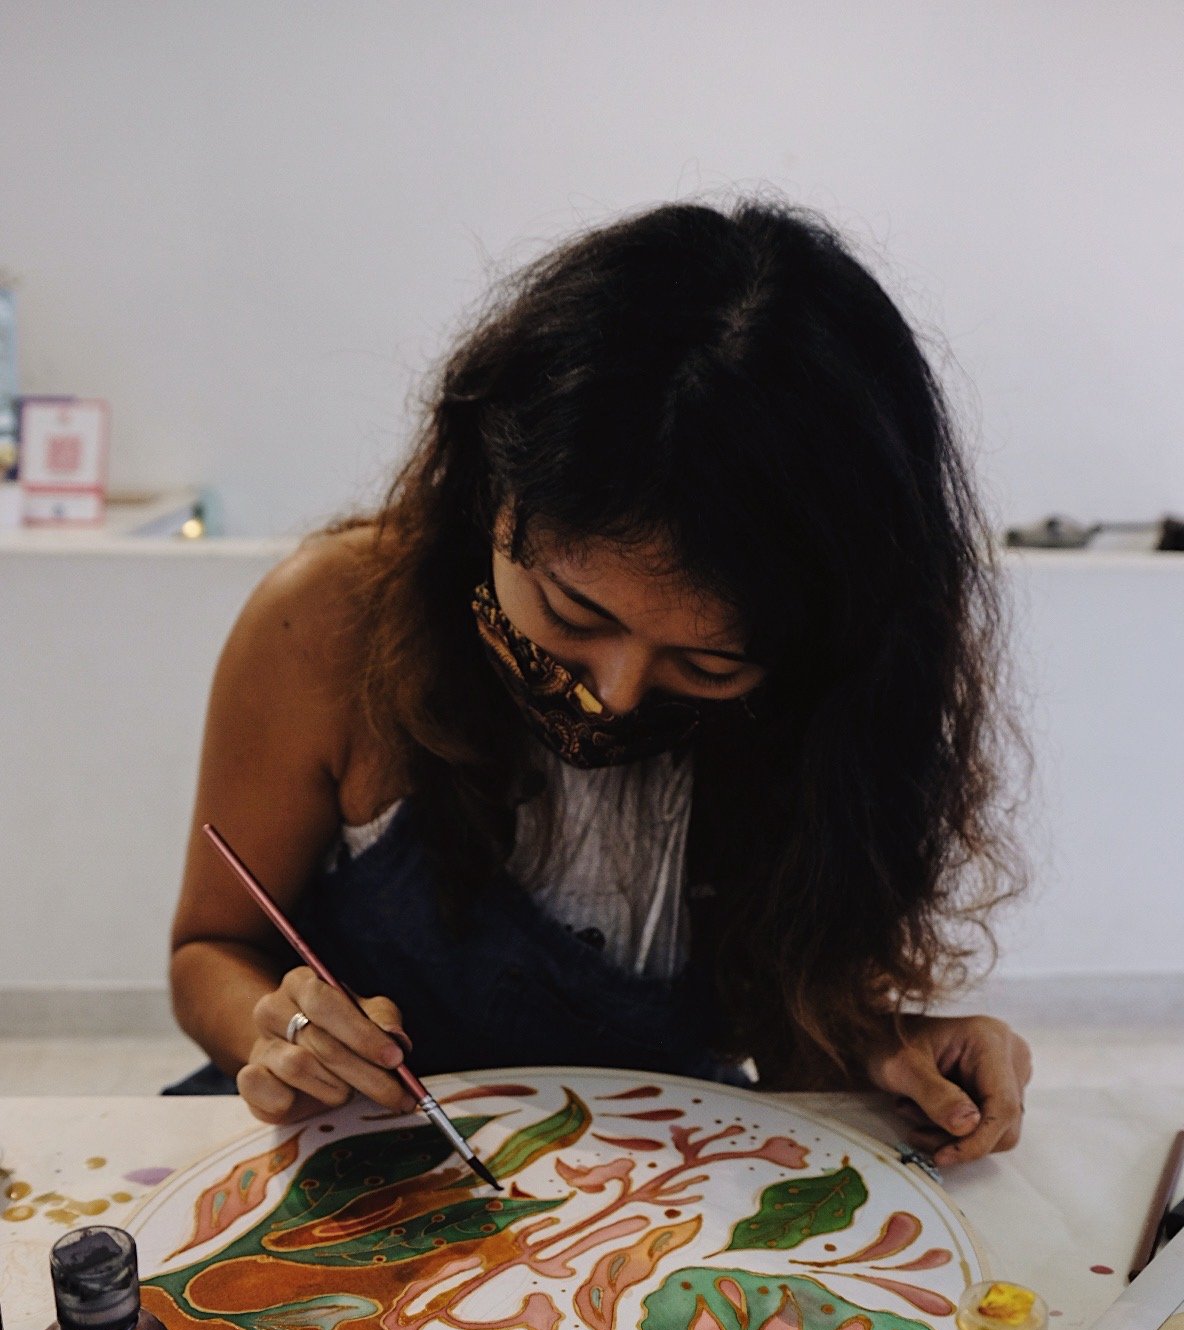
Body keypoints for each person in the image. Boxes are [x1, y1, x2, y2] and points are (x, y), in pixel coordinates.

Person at [168, 198, 1032, 1167]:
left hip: (645, 1213)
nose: (617, 694)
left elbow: (781, 1022)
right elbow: (207, 950)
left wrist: (875, 1044)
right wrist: (275, 1029)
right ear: (490, 485)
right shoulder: (328, 624)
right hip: (356, 1174)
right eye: (574, 615)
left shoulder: (819, 711)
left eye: (706, 663)